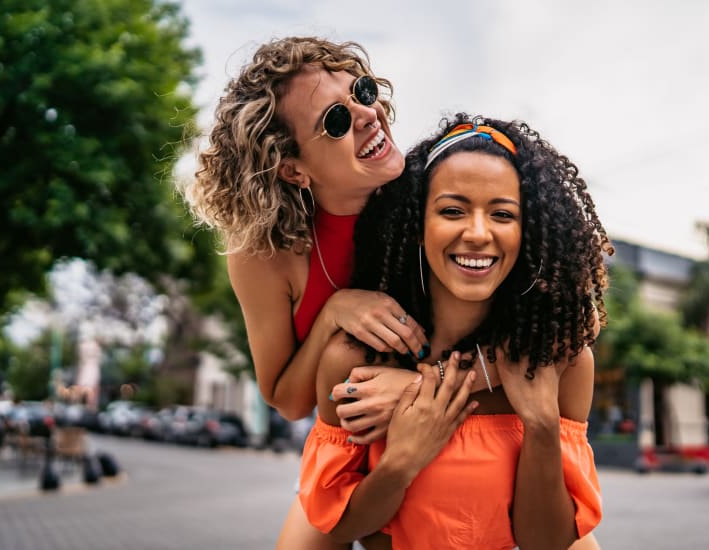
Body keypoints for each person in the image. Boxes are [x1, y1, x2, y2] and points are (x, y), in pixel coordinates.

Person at [299, 114, 613, 549]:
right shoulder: (356, 361)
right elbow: (339, 526)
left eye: (503, 214)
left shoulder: (561, 362)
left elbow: (548, 543)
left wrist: (540, 426)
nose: (478, 233)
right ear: (417, 228)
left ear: (529, 235)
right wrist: (403, 461)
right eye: (452, 211)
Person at [185, 37, 435, 550]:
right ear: (293, 168)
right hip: (344, 452)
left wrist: (413, 391)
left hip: (447, 427)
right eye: (336, 122)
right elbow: (286, 399)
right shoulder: (264, 254)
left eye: (362, 91)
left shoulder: (439, 199)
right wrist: (333, 314)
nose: (367, 114)